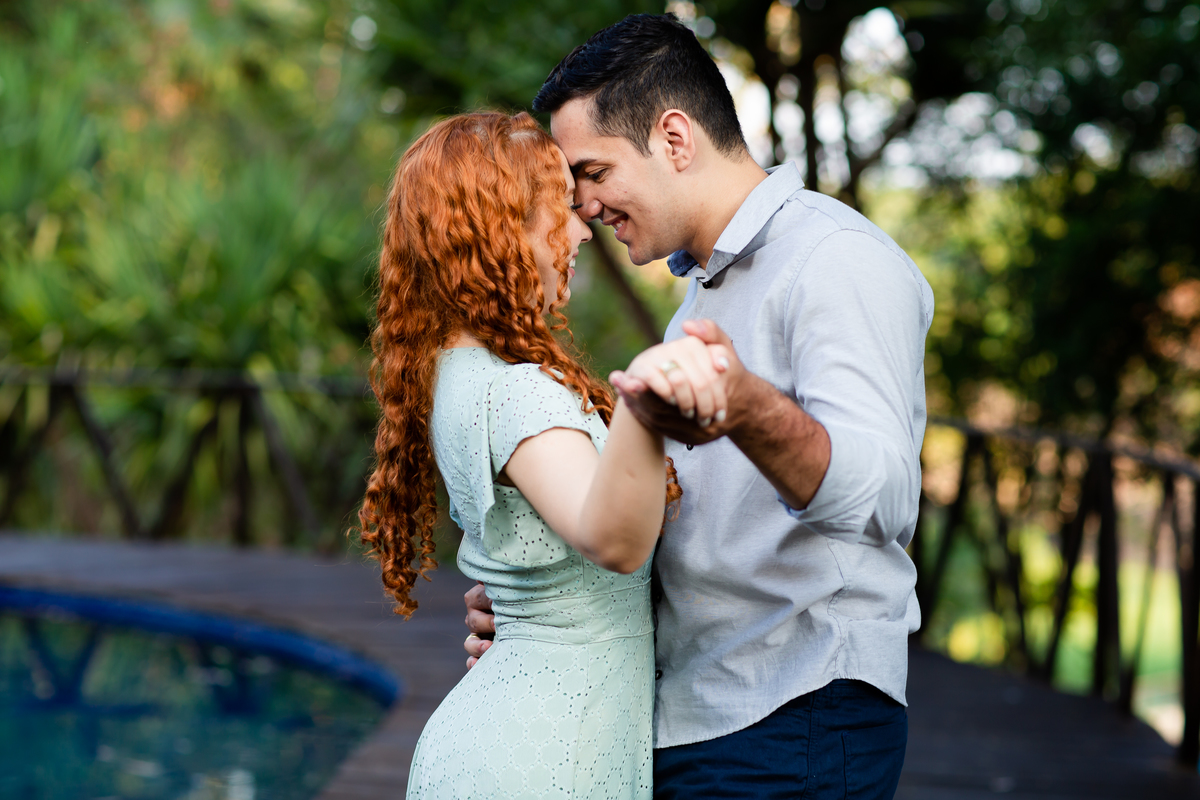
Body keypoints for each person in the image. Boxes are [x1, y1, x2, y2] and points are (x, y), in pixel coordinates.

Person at [464, 14, 934, 800]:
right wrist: (542, 602)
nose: (583, 206)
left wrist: (746, 408)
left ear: (675, 139)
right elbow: (706, 533)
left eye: (593, 172)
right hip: (701, 720)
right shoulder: (700, 298)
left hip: (796, 718)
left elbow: (886, 497)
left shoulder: (834, 258)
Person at [356, 110, 732, 799]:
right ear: (498, 227)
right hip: (542, 758)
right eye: (559, 206)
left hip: (525, 741)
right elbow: (613, 542)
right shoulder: (515, 391)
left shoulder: (458, 373)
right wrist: (645, 404)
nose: (583, 228)